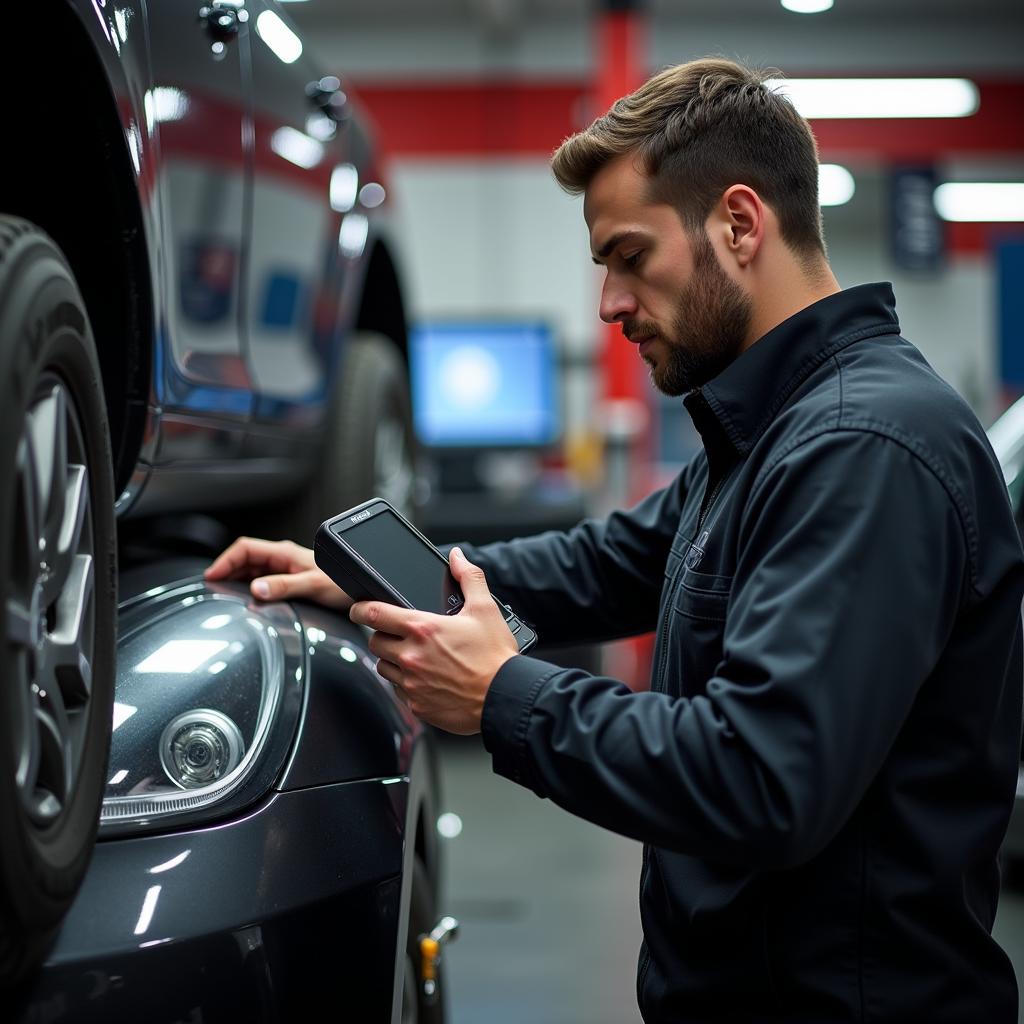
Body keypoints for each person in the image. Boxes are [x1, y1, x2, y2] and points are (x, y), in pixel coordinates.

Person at [205, 58, 1024, 1023]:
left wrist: (503, 695)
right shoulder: (772, 428)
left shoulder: (864, 447)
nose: (609, 302)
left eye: (631, 256)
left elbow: (759, 777)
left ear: (739, 224)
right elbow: (613, 562)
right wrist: (375, 579)